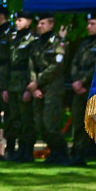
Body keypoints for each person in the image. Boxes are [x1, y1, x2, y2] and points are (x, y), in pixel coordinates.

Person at [27, 14, 69, 165]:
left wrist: (37, 82)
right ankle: (53, 152)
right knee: (40, 124)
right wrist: (33, 86)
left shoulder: (58, 43)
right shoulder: (36, 44)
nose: (39, 26)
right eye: (38, 23)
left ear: (51, 25)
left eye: (43, 23)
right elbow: (31, 65)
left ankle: (61, 153)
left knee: (51, 123)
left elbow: (56, 66)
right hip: (38, 89)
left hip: (52, 88)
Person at [67, 12, 96, 166]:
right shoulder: (84, 43)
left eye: (93, 24)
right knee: (79, 123)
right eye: (88, 24)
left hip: (95, 89)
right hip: (80, 91)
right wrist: (76, 81)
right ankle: (78, 156)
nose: (89, 27)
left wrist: (82, 82)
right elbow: (74, 63)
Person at [4, 12, 36, 162]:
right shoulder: (14, 38)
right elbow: (9, 64)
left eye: (20, 20)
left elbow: (31, 66)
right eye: (16, 20)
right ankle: (19, 149)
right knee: (15, 119)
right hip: (12, 84)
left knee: (26, 120)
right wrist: (5, 87)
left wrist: (29, 88)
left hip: (24, 84)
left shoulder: (32, 39)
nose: (16, 23)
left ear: (29, 21)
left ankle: (27, 150)